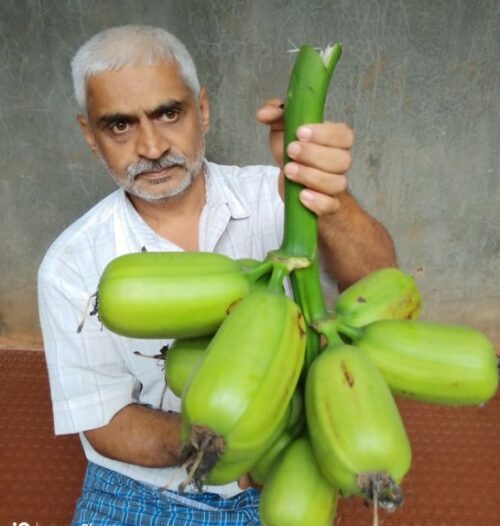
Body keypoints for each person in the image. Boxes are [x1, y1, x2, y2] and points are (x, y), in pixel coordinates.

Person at [38, 25, 396, 525]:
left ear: (201, 110)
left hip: (281, 477)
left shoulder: (277, 201)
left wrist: (323, 196)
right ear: (89, 135)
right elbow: (103, 420)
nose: (151, 146)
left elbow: (379, 284)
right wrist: (223, 445)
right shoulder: (72, 261)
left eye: (169, 113)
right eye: (119, 125)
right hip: (141, 485)